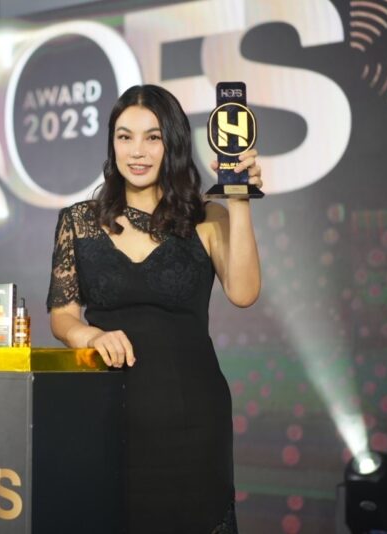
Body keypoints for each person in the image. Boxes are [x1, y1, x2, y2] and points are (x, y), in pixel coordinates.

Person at [47, 84, 261, 533]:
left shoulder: (207, 217)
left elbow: (244, 293)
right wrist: (90, 335)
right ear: (112, 144)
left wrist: (239, 199)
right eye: (124, 137)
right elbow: (62, 316)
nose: (137, 151)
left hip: (193, 417)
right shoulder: (79, 221)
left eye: (152, 137)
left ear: (173, 144)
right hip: (107, 416)